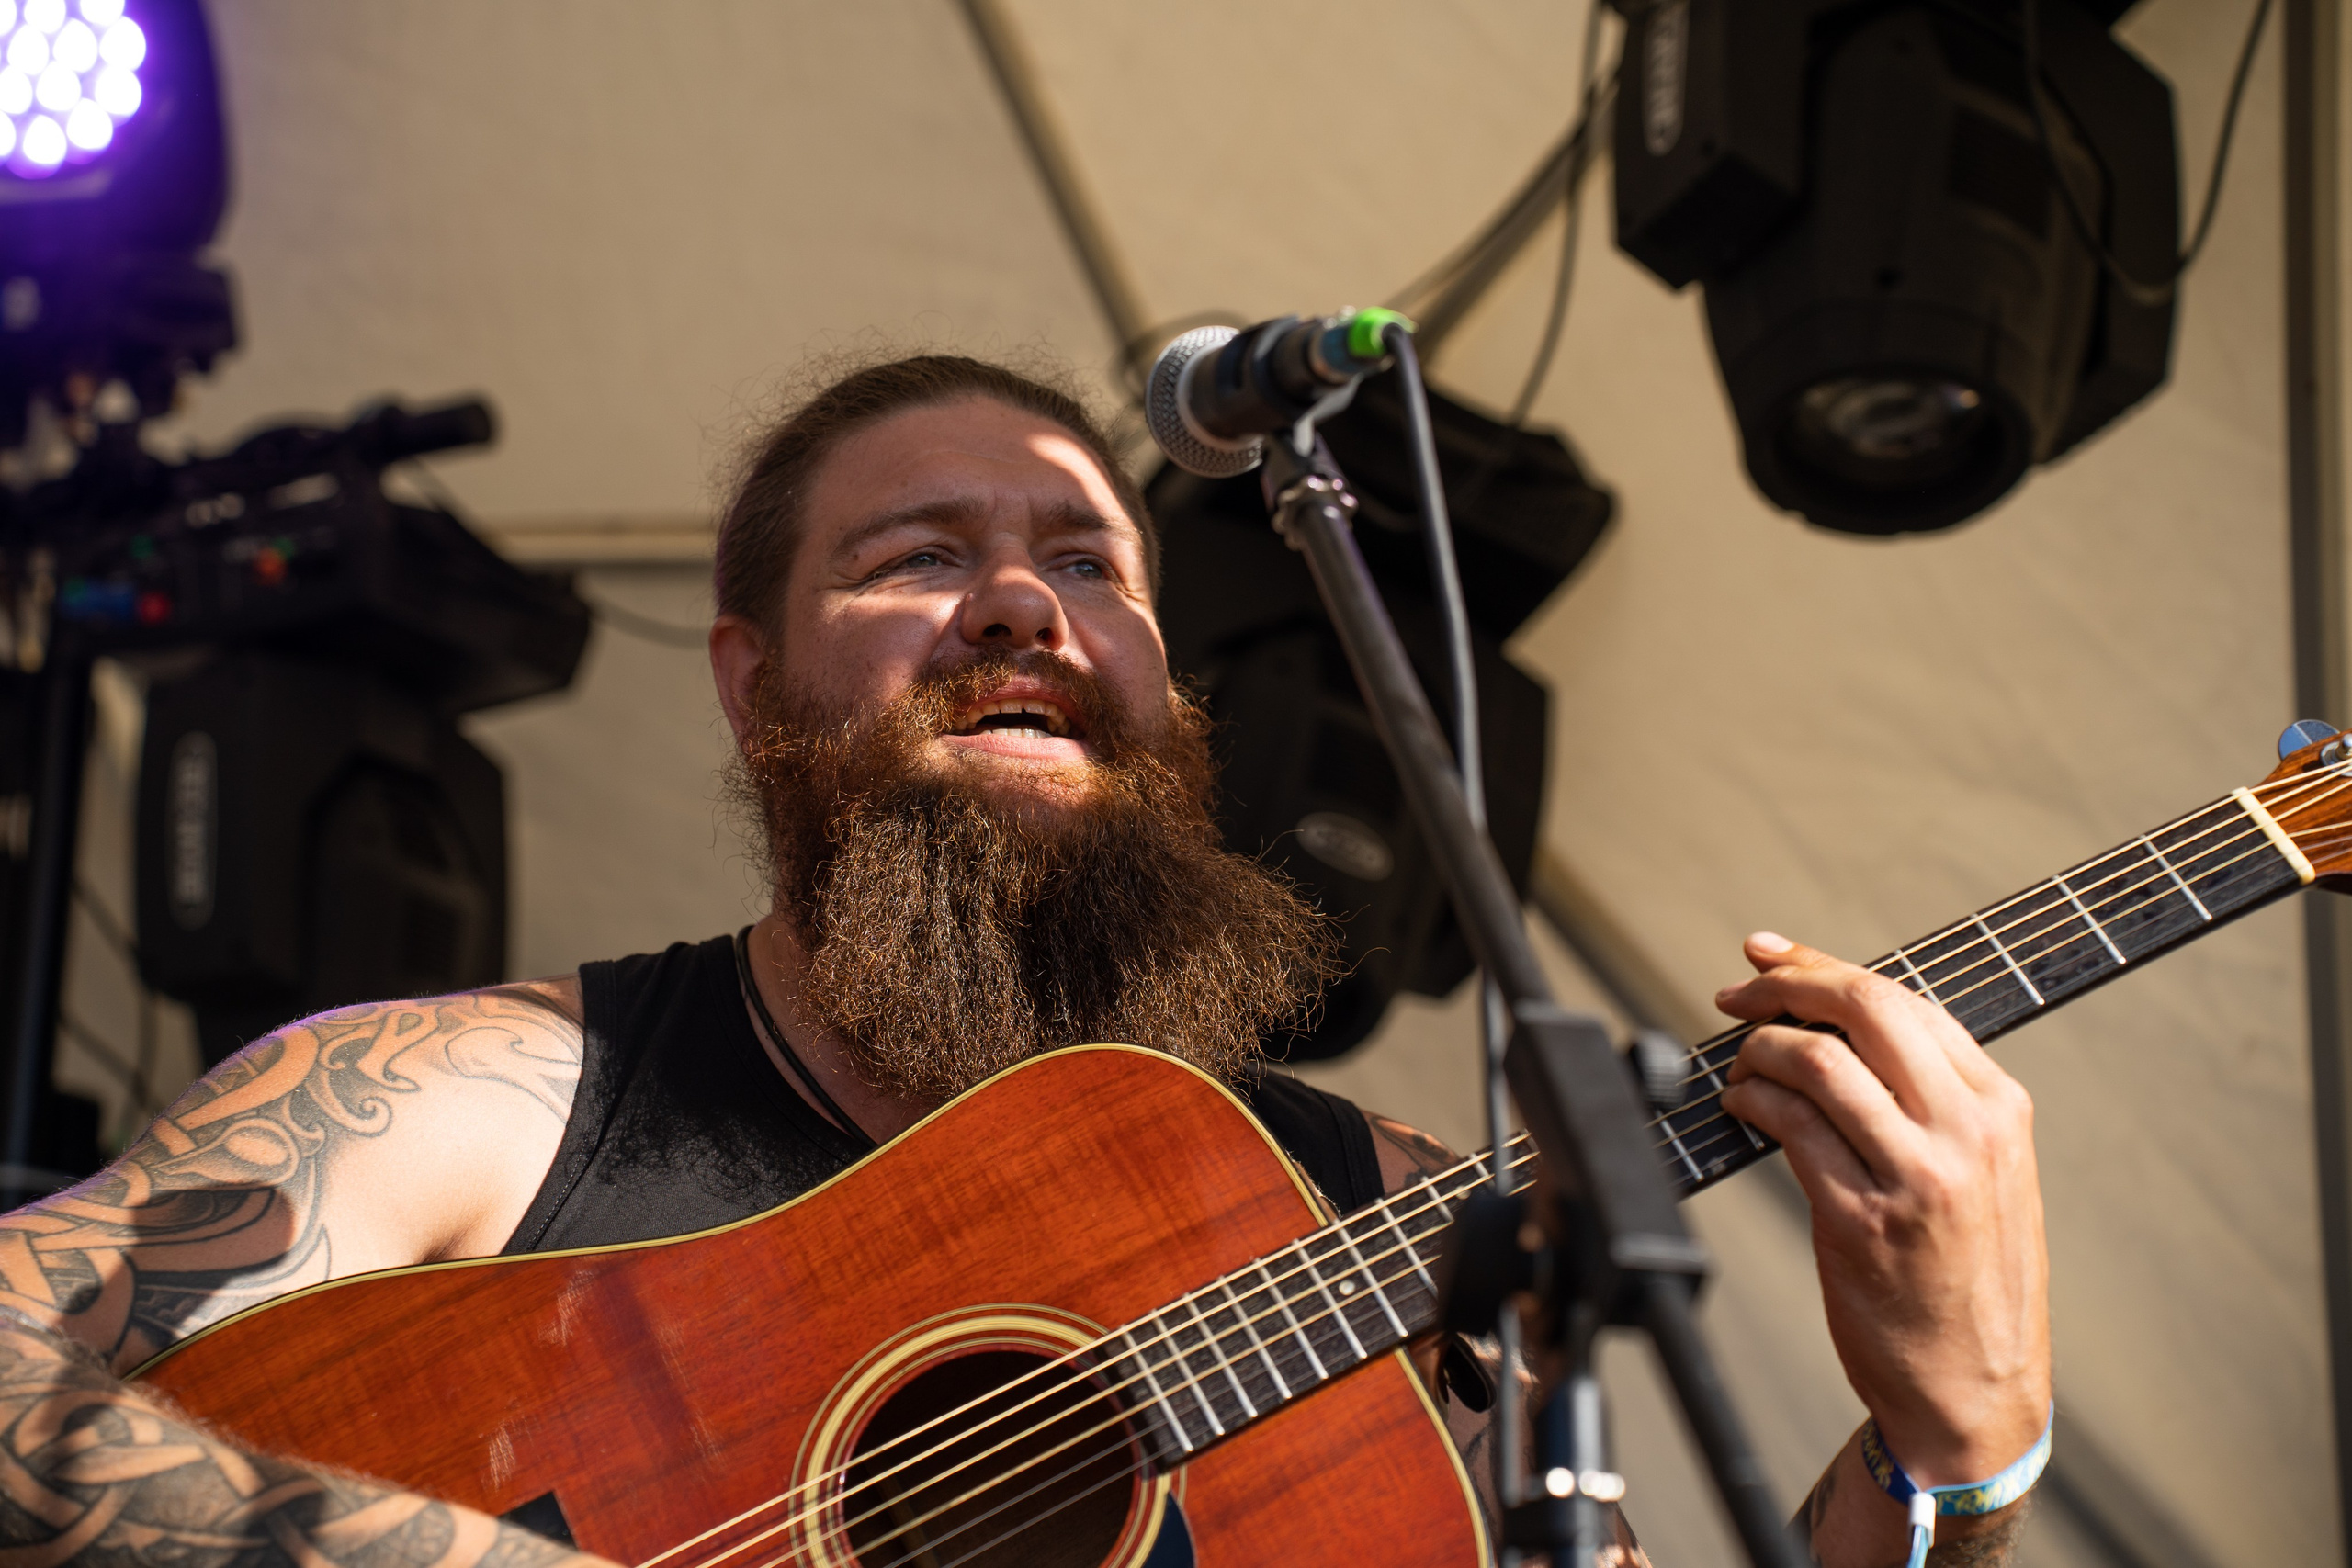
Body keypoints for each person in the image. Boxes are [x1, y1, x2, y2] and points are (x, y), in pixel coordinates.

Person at [0, 354, 2048, 1568]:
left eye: (1090, 562)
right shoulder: (483, 1094)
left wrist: (1954, 1448)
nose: (1019, 604)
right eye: (913, 558)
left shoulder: (1407, 1228)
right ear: (752, 682)